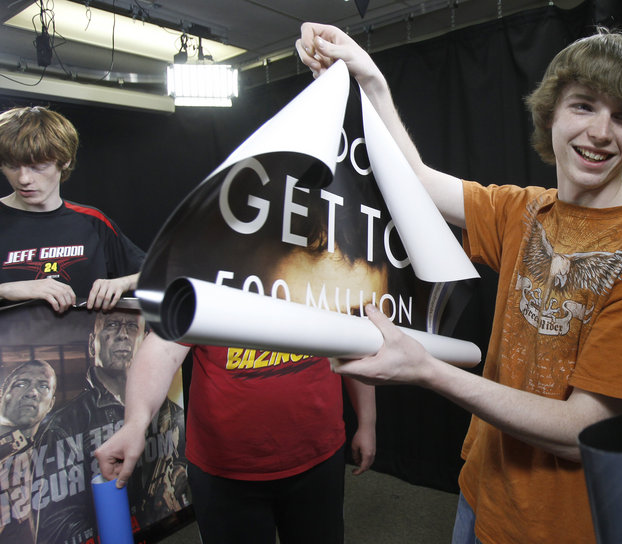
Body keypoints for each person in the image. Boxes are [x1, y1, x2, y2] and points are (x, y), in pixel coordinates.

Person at [295, 23, 622, 543]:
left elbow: (584, 432)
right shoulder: (525, 209)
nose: (602, 132)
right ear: (551, 113)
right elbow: (415, 177)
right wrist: (371, 80)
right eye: (584, 106)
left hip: (561, 526)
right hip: (481, 493)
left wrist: (427, 371)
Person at [94, 233, 380, 543]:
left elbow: (354, 346)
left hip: (317, 460)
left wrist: (367, 422)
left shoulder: (330, 264)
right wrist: (136, 422)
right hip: (225, 471)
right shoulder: (209, 263)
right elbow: (162, 348)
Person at [35, 309, 188, 543]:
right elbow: (56, 525)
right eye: (112, 325)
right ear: (91, 344)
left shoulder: (172, 413)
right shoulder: (63, 424)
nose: (122, 335)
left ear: (144, 339)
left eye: (131, 327)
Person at [0, 106, 143, 313]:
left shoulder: (93, 222)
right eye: (12, 166)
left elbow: (160, 275)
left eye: (38, 167)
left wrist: (122, 283)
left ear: (64, 160)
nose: (24, 179)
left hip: (83, 344)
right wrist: (5, 290)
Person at [0, 359, 57, 543]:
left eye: (43, 387)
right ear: (3, 393)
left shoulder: (52, 451)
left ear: (51, 404)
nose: (32, 393)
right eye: (21, 384)